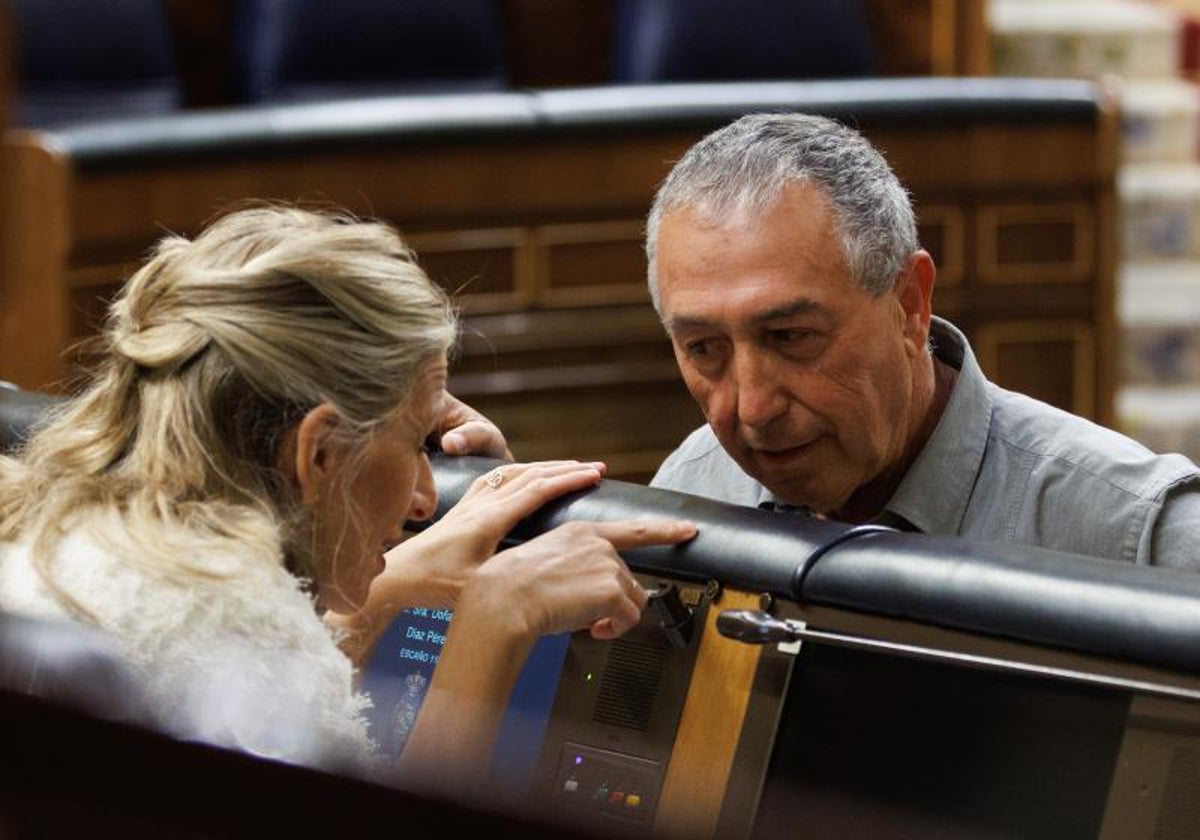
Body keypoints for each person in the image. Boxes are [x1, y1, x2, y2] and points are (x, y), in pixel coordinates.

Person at [0, 205, 696, 795]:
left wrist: (385, 590)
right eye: (417, 441)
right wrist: (494, 619)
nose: (427, 498)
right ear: (319, 453)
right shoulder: (235, 643)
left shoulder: (72, 538)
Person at [646, 112, 1200, 570]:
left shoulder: (1139, 533)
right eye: (704, 349)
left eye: (791, 337)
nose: (754, 408)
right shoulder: (690, 492)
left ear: (909, 304)